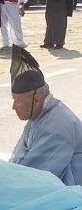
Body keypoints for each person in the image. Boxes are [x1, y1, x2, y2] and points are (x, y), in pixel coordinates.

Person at [9, 45, 82, 185]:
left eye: (17, 101)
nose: (13, 107)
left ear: (37, 100)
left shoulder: (56, 125)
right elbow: (19, 160)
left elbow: (35, 176)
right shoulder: (39, 116)